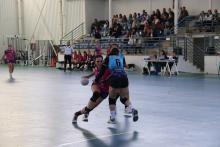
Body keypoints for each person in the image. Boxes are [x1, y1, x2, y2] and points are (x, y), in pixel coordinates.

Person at [95, 45, 138, 123]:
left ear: (110, 51)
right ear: (118, 52)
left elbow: (102, 71)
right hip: (124, 77)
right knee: (123, 98)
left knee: (111, 99)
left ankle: (113, 118)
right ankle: (132, 109)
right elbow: (125, 66)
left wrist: (96, 80)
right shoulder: (121, 56)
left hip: (115, 78)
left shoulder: (108, 58)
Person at [72, 55, 111, 123]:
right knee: (96, 93)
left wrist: (105, 81)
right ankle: (86, 114)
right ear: (95, 62)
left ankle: (77, 114)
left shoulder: (107, 69)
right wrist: (88, 76)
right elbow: (95, 72)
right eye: (98, 61)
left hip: (105, 90)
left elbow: (110, 77)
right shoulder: (96, 68)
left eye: (101, 61)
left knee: (90, 107)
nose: (99, 62)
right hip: (96, 85)